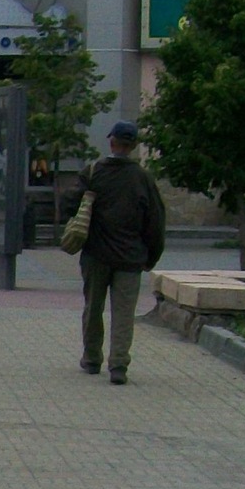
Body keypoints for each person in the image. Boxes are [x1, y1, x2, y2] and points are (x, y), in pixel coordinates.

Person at [78, 120, 165, 384]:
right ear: (133, 146)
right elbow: (155, 222)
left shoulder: (93, 172)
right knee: (124, 313)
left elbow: (73, 205)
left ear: (112, 142)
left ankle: (92, 358)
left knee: (93, 307)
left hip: (96, 254)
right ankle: (118, 365)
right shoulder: (143, 178)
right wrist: (151, 257)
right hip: (130, 257)